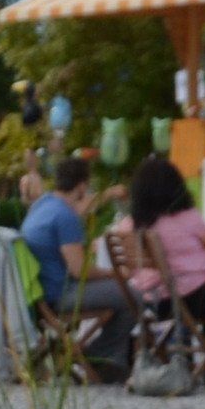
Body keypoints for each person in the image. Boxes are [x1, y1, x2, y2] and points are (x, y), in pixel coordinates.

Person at [19, 153, 133, 367]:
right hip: (61, 294)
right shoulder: (65, 216)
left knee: (123, 292)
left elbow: (82, 209)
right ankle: (100, 358)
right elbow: (79, 271)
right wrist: (115, 274)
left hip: (39, 294)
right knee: (133, 294)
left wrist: (107, 195)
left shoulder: (42, 206)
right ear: (82, 186)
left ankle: (102, 357)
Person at [126, 150, 205, 337]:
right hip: (193, 297)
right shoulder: (188, 217)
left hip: (157, 303)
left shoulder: (133, 224)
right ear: (176, 186)